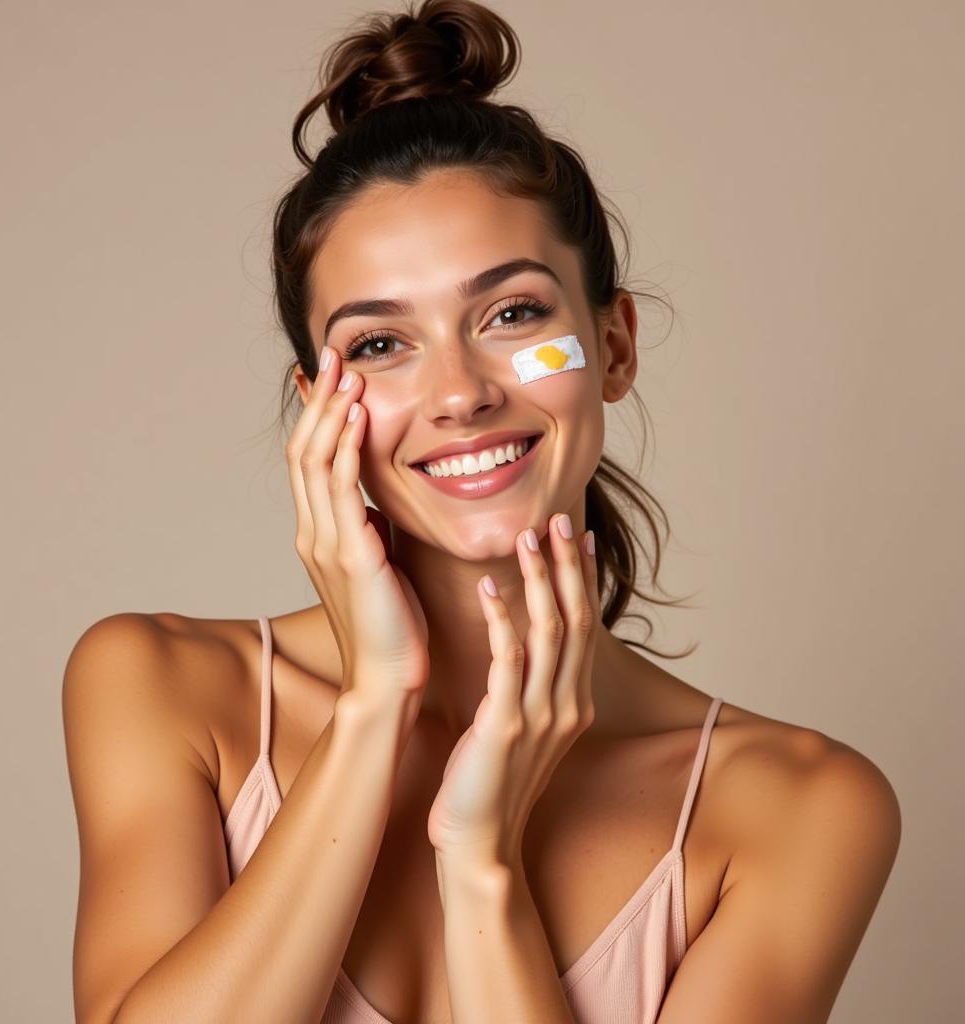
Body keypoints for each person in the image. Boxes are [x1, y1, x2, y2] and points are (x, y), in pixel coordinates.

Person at [62, 2, 901, 1021]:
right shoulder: (161, 688)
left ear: (615, 342)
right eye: (379, 344)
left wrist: (483, 866)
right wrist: (374, 709)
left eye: (512, 315)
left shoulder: (798, 806)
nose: (458, 392)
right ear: (318, 405)